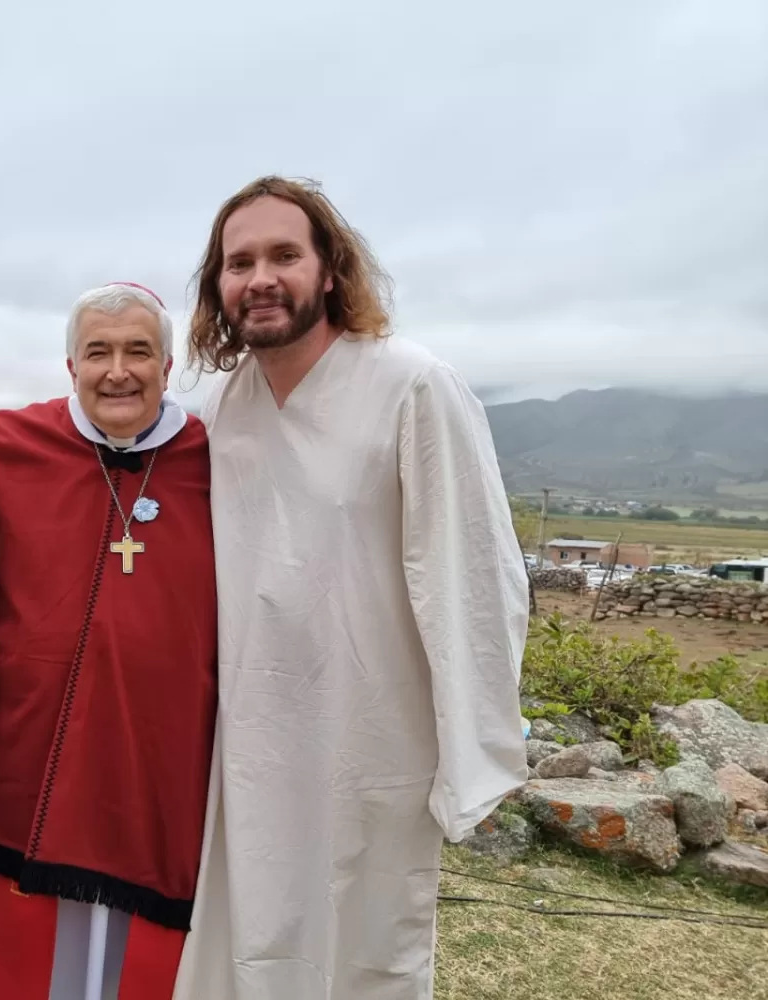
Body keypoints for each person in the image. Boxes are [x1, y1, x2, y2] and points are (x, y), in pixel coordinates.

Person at [171, 176, 530, 1000]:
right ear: (218, 286)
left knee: (365, 949)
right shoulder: (228, 408)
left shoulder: (411, 385)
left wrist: (466, 748)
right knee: (249, 935)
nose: (260, 277)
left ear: (330, 269)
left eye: (283, 255)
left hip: (373, 737)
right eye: (239, 262)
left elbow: (473, 577)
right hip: (252, 738)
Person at [0, 282, 218, 1000]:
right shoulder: (2, 445)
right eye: (98, 352)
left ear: (168, 363)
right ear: (70, 367)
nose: (117, 371)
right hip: (23, 753)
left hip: (156, 763)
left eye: (138, 352)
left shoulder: (220, 459)